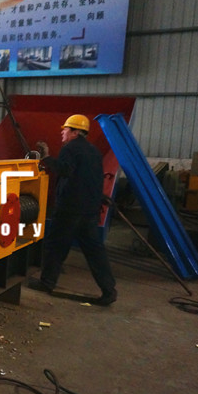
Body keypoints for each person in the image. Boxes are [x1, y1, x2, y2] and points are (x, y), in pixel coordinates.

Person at [30, 114, 118, 306]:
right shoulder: (94, 151)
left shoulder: (70, 149)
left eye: (66, 130)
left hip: (70, 210)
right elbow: (93, 178)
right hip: (90, 210)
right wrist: (98, 197)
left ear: (75, 132)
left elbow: (66, 170)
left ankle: (47, 283)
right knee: (95, 251)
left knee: (55, 246)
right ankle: (109, 290)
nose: (62, 132)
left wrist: (46, 157)